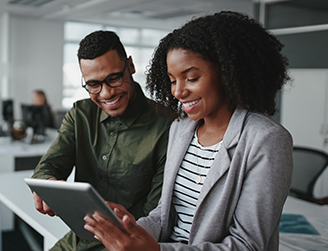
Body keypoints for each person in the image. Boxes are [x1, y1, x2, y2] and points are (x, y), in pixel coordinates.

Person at [83, 11, 293, 250]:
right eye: (172, 80)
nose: (177, 92)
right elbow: (164, 214)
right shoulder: (181, 128)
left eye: (191, 78)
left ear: (227, 73)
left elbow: (248, 245)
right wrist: (132, 228)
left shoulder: (266, 139)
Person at [31, 31, 171, 250]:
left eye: (114, 78)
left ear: (131, 66)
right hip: (77, 239)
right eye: (93, 85)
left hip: (123, 245)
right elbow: (50, 164)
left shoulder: (168, 126)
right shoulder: (80, 114)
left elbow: (157, 216)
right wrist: (47, 183)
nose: (106, 94)